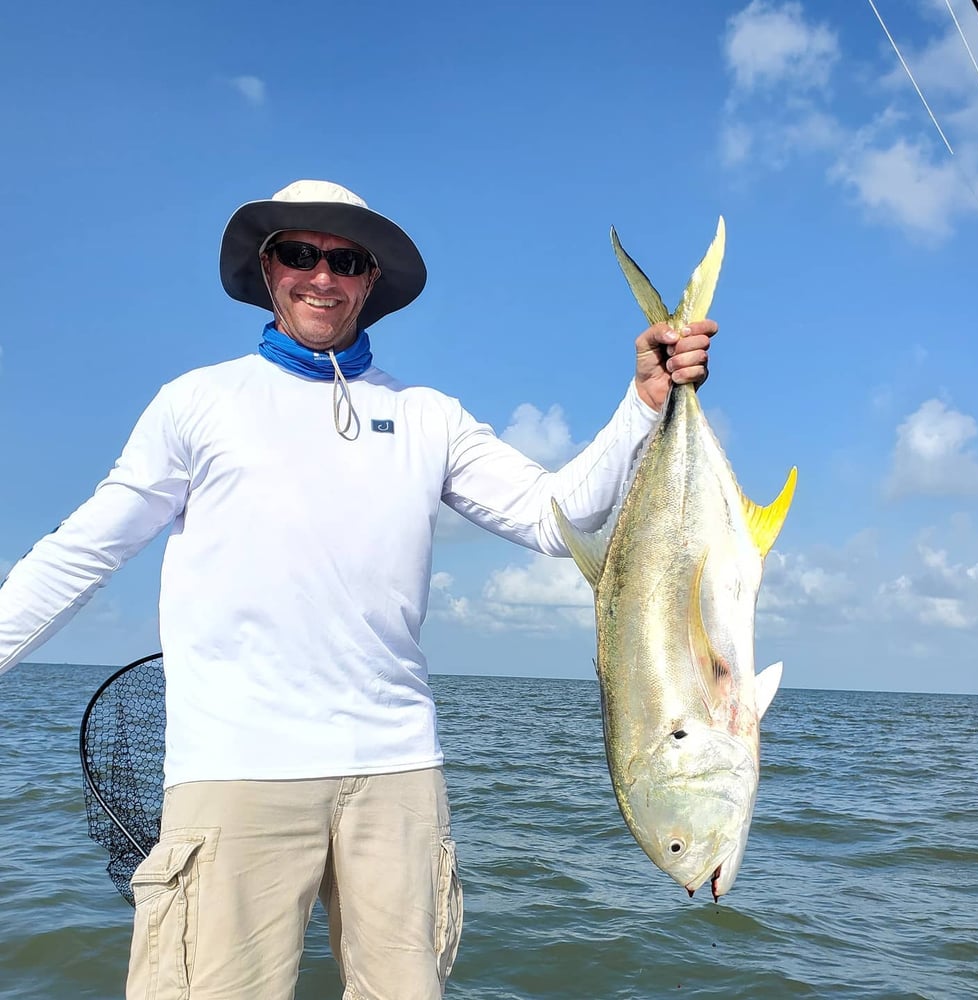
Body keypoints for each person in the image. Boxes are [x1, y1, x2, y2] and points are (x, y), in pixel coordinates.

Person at [0, 180, 716, 999]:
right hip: (238, 770)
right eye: (300, 255)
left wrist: (642, 404)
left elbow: (558, 520)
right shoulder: (196, 403)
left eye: (345, 260)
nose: (322, 276)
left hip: (397, 773)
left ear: (371, 281)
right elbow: (82, 552)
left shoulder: (427, 415)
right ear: (268, 269)